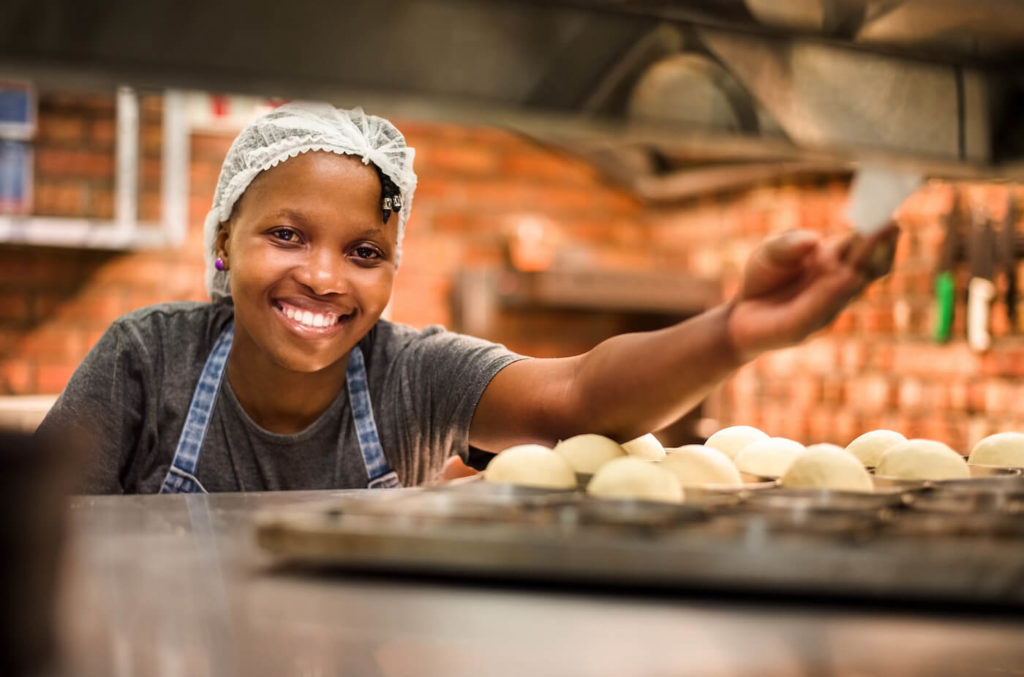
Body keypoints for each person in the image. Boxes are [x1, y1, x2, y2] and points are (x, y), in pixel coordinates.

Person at [37, 102, 899, 494]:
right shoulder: (148, 358)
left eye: (365, 250)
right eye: (288, 235)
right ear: (225, 238)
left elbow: (581, 394)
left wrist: (736, 329)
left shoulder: (410, 374)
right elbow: (32, 541)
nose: (327, 277)